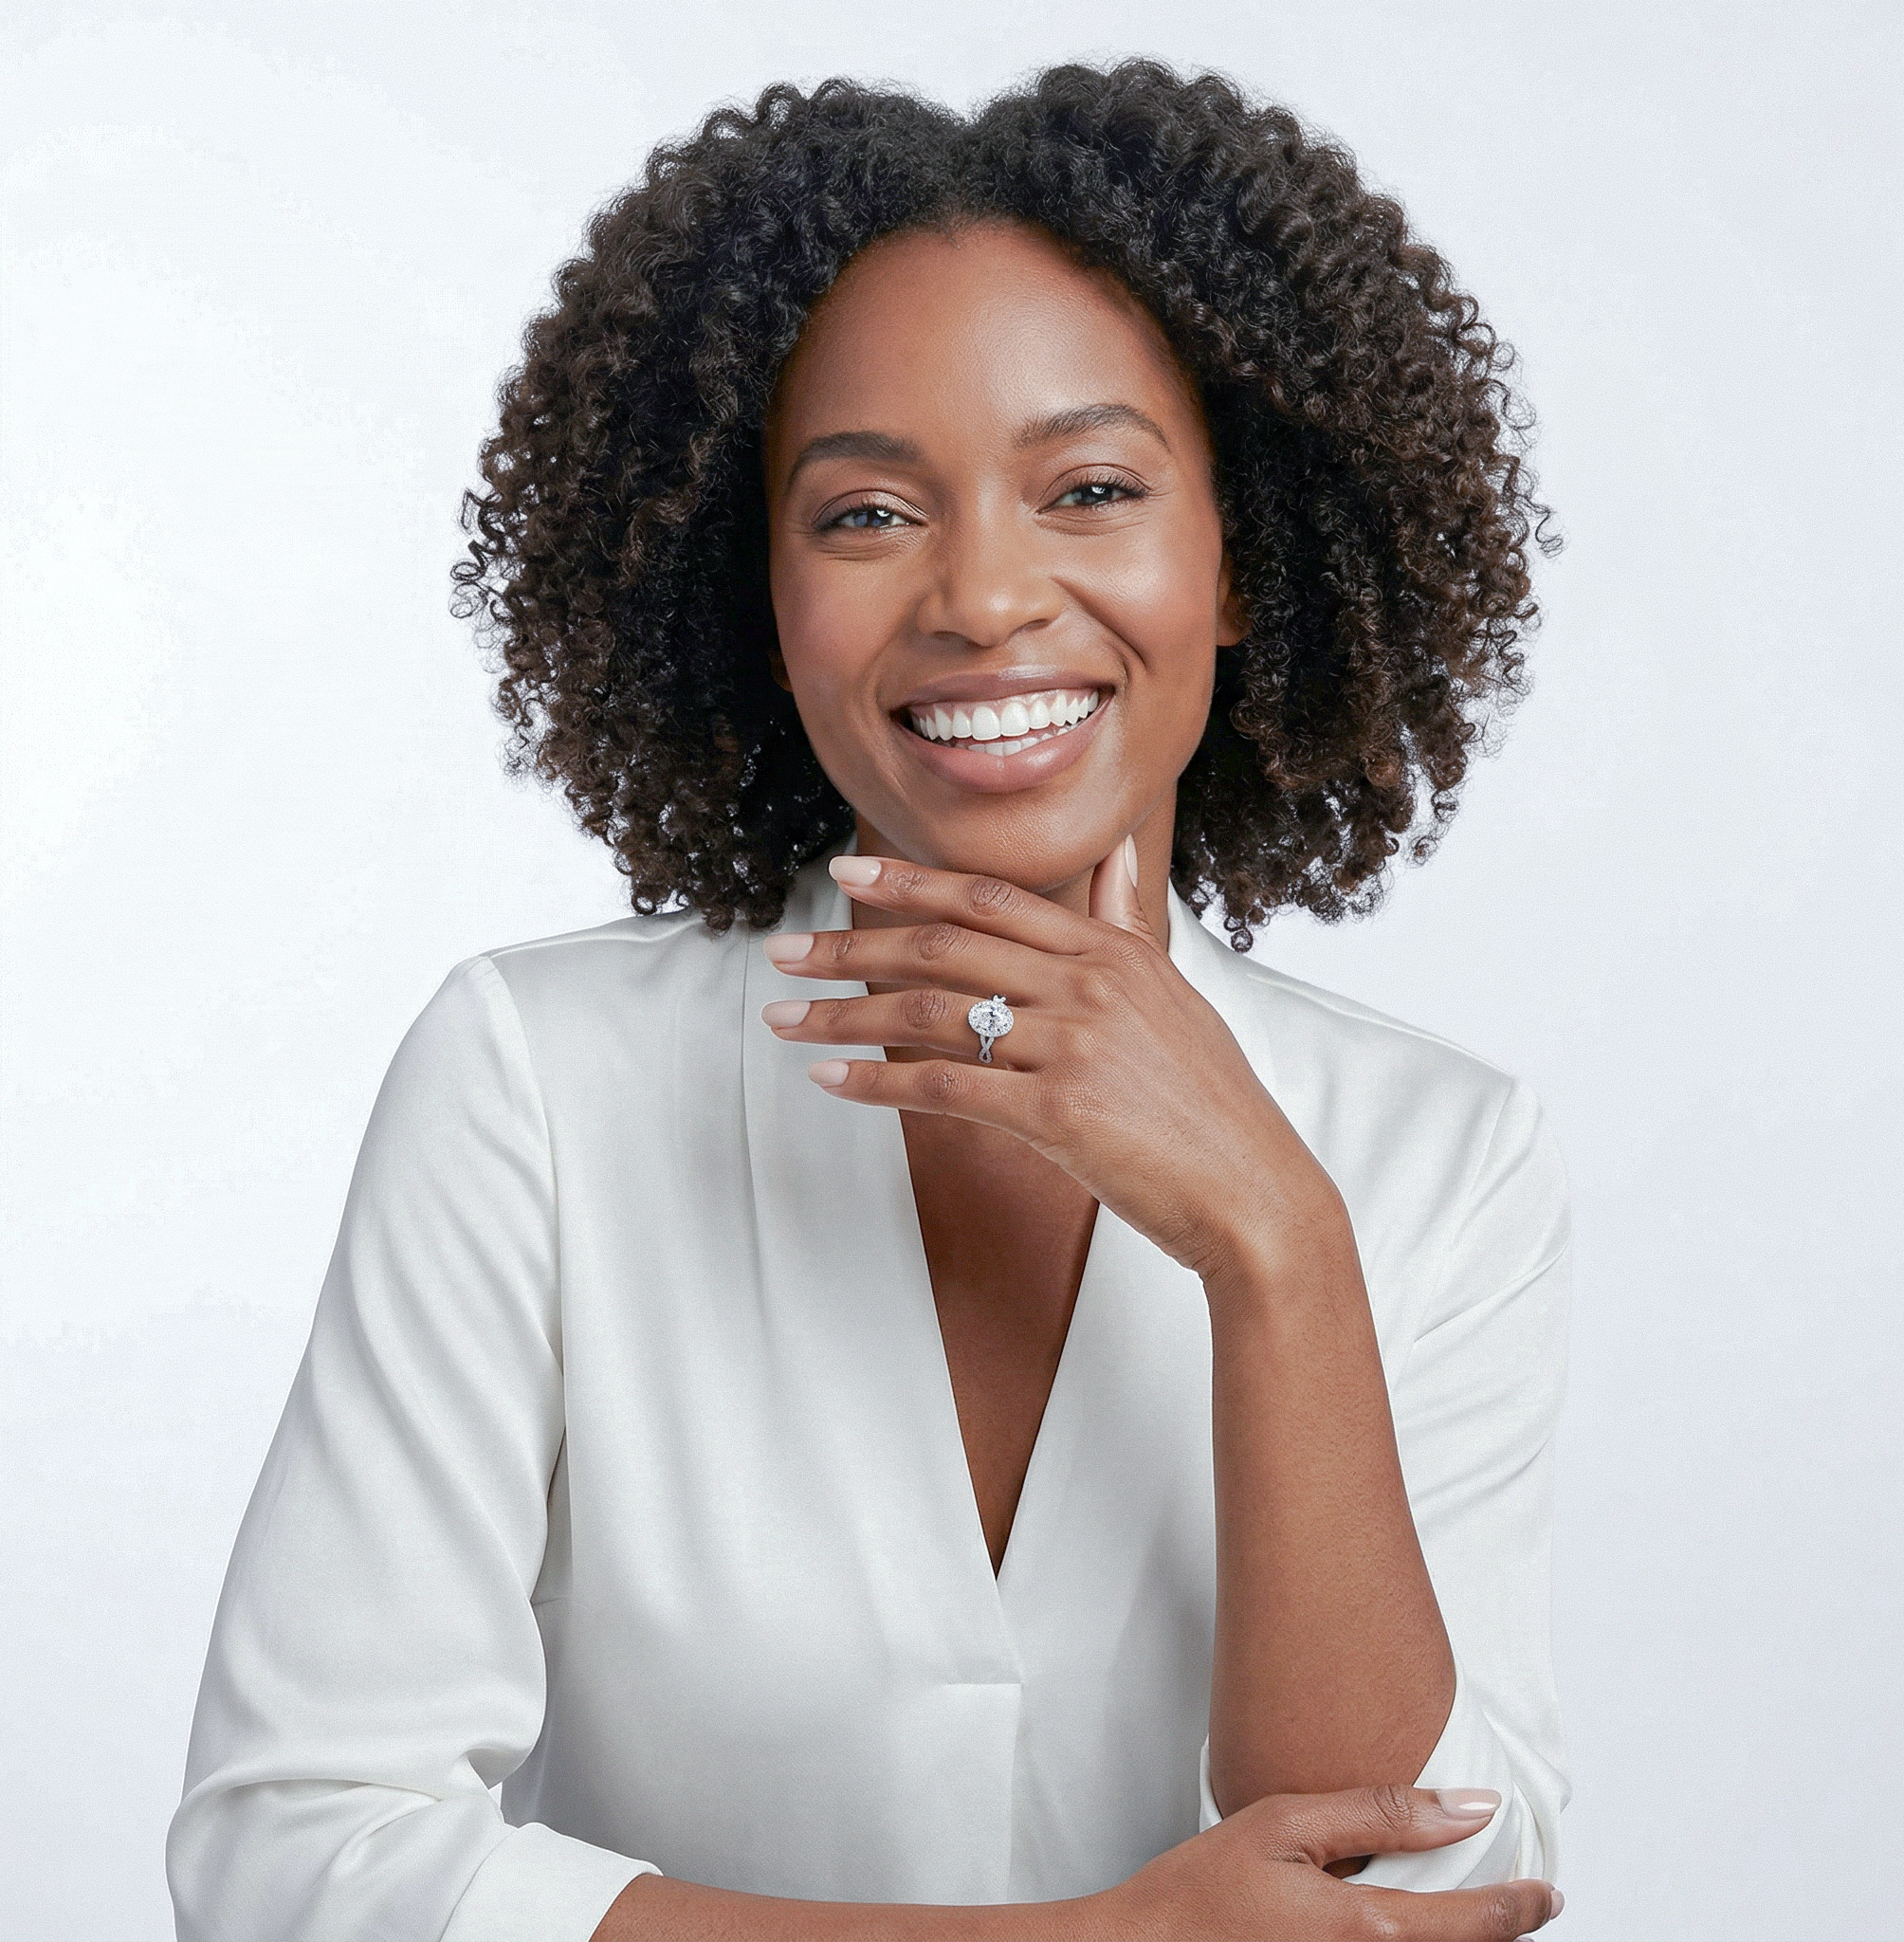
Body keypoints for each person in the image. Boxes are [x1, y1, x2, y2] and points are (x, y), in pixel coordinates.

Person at [168, 60, 1571, 1942]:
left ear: (1244, 558)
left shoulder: (1430, 1159)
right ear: (751, 586)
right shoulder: (539, 1082)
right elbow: (296, 1864)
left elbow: (1413, 1895)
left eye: (1089, 487)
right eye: (862, 513)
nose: (986, 595)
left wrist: (1276, 1245)